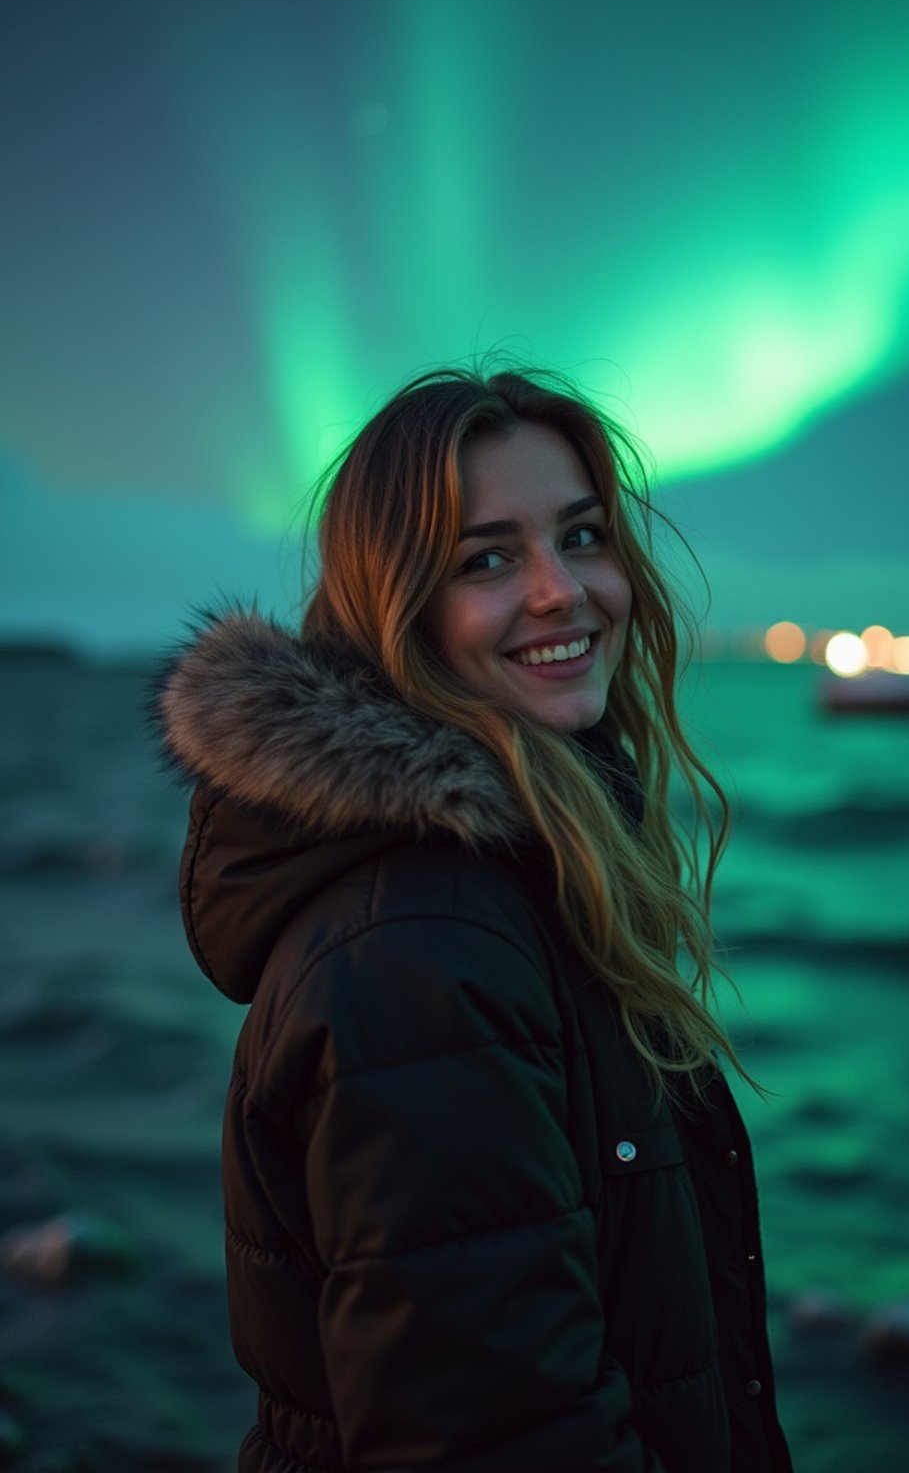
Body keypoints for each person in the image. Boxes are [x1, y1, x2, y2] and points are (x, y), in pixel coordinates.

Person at [158, 366, 792, 1473]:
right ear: (399, 606)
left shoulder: (524, 877)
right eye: (487, 559)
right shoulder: (422, 951)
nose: (562, 590)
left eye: (582, 537)